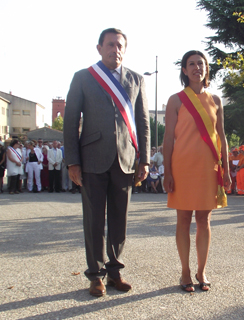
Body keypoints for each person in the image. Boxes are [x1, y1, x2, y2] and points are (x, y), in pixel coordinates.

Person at [63, 28, 150, 297]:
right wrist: (72, 161)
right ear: (99, 48)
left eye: (120, 45)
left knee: (119, 220)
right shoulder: (83, 78)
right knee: (93, 221)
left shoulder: (136, 79)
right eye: (110, 45)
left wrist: (144, 160)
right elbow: (69, 122)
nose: (116, 50)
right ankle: (95, 275)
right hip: (91, 160)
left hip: (125, 160)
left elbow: (143, 122)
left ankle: (114, 272)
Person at [163, 50, 230, 293]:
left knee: (204, 220)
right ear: (184, 70)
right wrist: (167, 171)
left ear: (206, 69)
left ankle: (202, 270)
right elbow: (168, 138)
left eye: (200, 64)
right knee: (183, 219)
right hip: (182, 167)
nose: (196, 68)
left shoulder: (216, 100)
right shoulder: (176, 100)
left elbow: (221, 136)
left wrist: (227, 169)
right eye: (191, 64)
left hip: (208, 167)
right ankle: (185, 271)